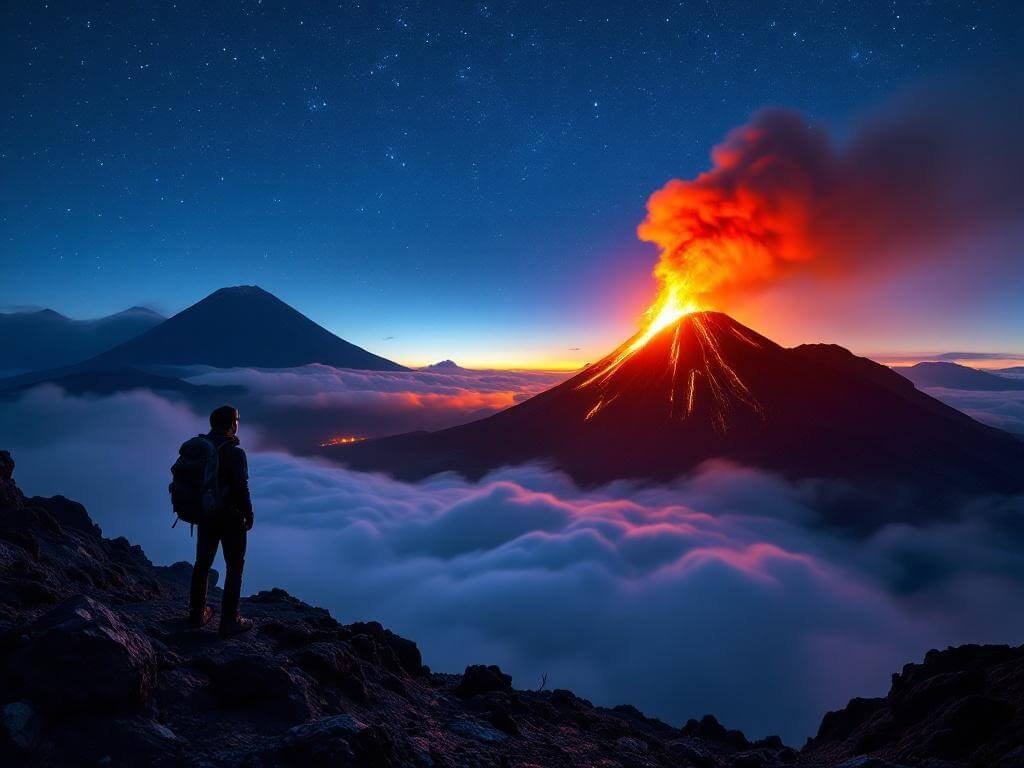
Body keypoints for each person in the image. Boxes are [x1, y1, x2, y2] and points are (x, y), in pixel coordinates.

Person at [188, 404, 255, 636]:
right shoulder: (235, 453)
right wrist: (248, 512)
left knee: (202, 563)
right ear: (231, 424)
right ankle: (229, 620)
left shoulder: (202, 447)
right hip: (229, 517)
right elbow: (241, 486)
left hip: (206, 514)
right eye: (236, 420)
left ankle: (197, 614)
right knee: (234, 566)